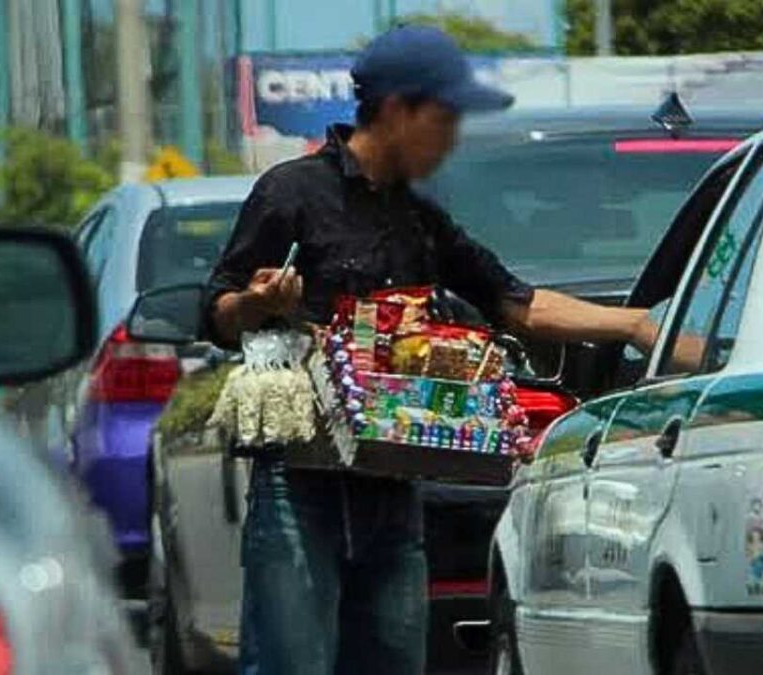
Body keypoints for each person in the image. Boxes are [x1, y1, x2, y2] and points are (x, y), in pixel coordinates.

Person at [205, 25, 666, 675]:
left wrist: (639, 327)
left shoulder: (419, 218)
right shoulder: (291, 192)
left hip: (392, 487)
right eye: (443, 119)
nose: (451, 139)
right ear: (396, 110)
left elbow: (517, 303)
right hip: (298, 487)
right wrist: (258, 302)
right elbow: (218, 311)